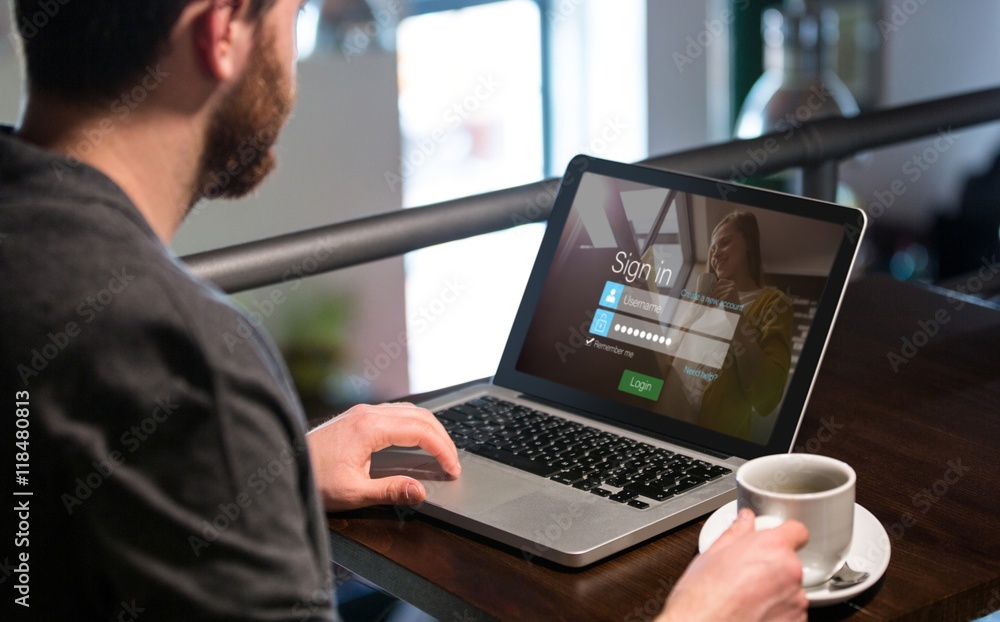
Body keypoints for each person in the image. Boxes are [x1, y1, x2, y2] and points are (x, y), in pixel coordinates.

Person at [0, 1, 808, 620]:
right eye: (296, 15)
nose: (296, 53)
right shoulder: (182, 356)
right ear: (222, 32)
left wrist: (255, 478)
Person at [694, 211, 794, 440]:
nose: (715, 254)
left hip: (713, 440)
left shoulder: (774, 303)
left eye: (725, 243)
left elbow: (767, 400)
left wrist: (735, 315)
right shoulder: (702, 302)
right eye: (712, 250)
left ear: (749, 243)